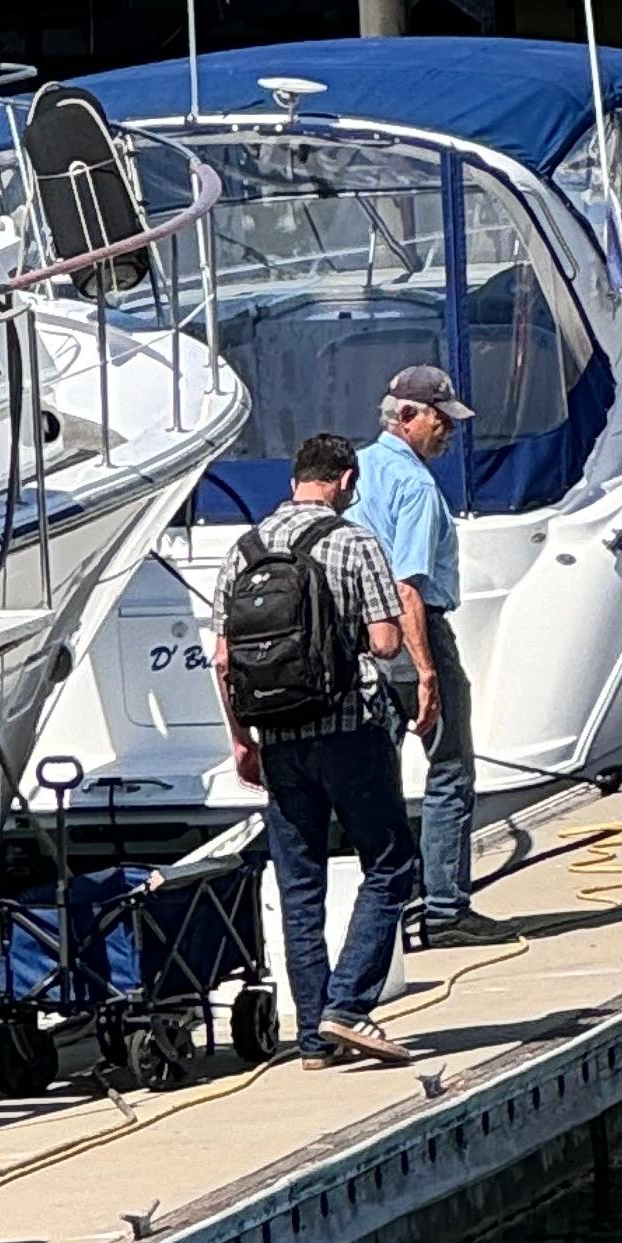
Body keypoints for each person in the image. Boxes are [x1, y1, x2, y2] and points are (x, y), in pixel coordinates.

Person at [214, 429, 427, 1062]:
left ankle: (313, 1039)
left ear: (292, 482)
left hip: (277, 739)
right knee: (391, 864)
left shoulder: (244, 549)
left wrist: (241, 740)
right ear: (346, 482)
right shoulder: (353, 540)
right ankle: (348, 1007)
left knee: (299, 881)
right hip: (347, 731)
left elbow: (226, 660)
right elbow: (387, 643)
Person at [357, 364, 488, 944]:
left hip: (362, 636)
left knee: (379, 775)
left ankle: (386, 899)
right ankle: (445, 908)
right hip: (415, 632)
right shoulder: (414, 485)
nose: (449, 435)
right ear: (408, 417)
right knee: (450, 769)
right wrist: (428, 671)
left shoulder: (353, 470)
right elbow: (408, 584)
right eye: (442, 422)